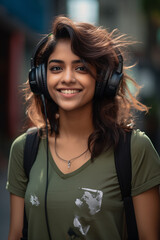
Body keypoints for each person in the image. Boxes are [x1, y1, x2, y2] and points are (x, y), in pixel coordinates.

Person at [6, 15, 160, 240]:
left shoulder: (134, 149)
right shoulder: (24, 149)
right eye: (56, 68)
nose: (67, 78)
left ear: (104, 78)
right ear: (40, 78)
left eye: (81, 68)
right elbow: (16, 233)